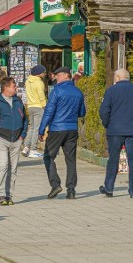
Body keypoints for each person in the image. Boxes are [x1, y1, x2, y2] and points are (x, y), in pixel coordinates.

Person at [99, 69, 133, 198]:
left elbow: (104, 110)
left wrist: (107, 124)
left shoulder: (111, 91)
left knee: (113, 159)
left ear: (117, 77)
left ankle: (109, 188)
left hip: (115, 130)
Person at [38, 67, 86, 200]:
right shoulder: (78, 92)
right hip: (72, 129)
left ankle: (55, 184)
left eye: (58, 75)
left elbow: (49, 112)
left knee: (48, 156)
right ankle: (71, 190)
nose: (56, 78)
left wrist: (41, 130)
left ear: (65, 75)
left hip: (57, 128)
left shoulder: (56, 91)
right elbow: (82, 112)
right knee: (70, 160)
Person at [0, 77, 28, 206]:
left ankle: (9, 195)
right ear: (6, 88)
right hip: (1, 139)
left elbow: (25, 119)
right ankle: (1, 195)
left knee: (13, 168)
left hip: (16, 139)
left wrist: (23, 135)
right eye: (14, 86)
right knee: (3, 165)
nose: (16, 88)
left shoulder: (18, 100)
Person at [23, 65, 47, 158]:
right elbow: (41, 96)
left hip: (30, 106)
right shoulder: (39, 83)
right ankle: (33, 149)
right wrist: (45, 106)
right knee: (36, 128)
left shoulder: (28, 81)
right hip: (38, 107)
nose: (45, 74)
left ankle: (26, 147)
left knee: (32, 128)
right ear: (39, 73)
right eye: (44, 72)